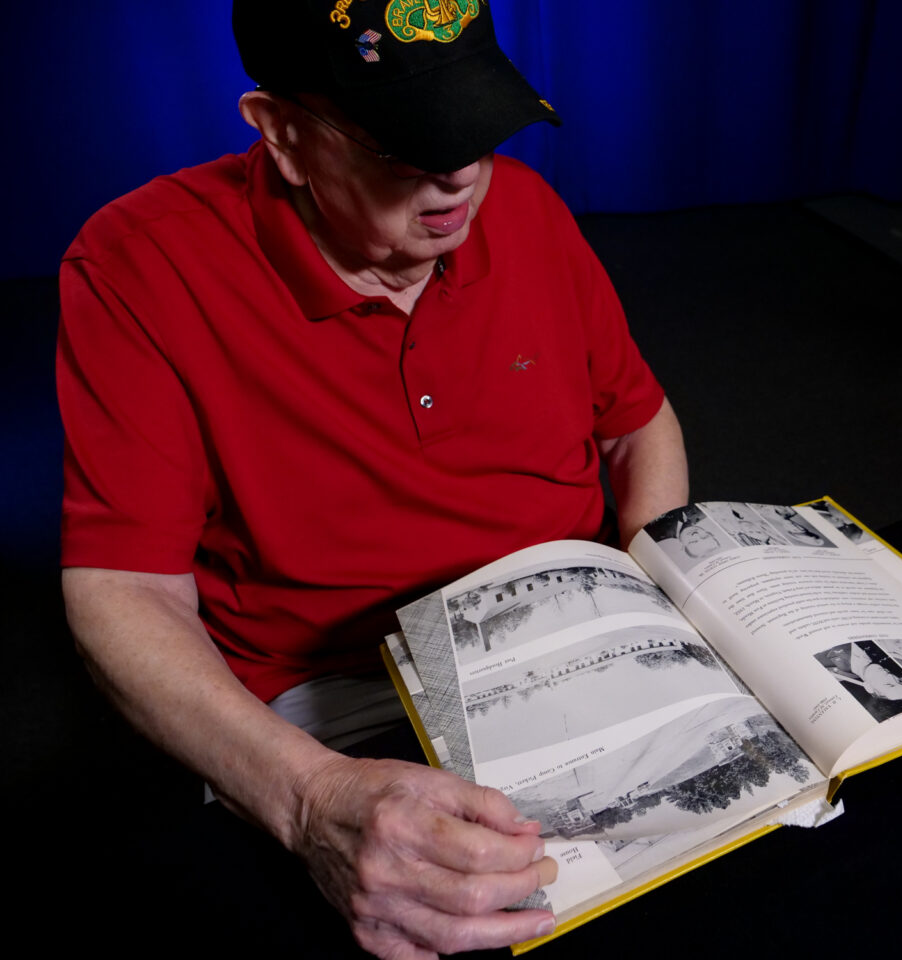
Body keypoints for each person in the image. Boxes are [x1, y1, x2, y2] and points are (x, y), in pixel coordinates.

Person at [55, 3, 688, 958]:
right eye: (407, 145)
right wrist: (309, 800)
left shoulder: (528, 210)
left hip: (584, 638)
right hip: (340, 706)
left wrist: (667, 599)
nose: (460, 175)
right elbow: (123, 588)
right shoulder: (138, 266)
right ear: (284, 137)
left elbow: (638, 426)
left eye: (476, 128)